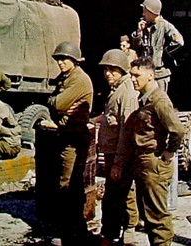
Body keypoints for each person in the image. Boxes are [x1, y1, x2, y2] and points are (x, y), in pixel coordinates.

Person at [113, 57, 185, 246]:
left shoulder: (159, 100)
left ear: (151, 75)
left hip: (153, 163)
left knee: (157, 217)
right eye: (131, 75)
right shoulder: (144, 99)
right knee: (148, 212)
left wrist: (169, 153)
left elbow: (177, 130)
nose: (133, 79)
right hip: (143, 162)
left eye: (137, 75)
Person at [41, 41, 93, 245]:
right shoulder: (67, 78)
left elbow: (57, 103)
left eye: (64, 59)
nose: (60, 63)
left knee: (68, 185)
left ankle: (70, 232)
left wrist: (58, 104)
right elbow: (55, 101)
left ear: (74, 60)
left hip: (74, 138)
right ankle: (73, 228)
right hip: (67, 136)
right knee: (69, 184)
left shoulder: (79, 80)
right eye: (58, 59)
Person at [96, 49, 139, 246]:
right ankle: (118, 232)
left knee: (116, 196)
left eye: (113, 70)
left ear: (122, 70)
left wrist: (119, 164)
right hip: (113, 154)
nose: (108, 74)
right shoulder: (116, 90)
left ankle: (121, 232)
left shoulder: (127, 92)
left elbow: (126, 131)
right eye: (106, 70)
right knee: (122, 193)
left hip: (119, 155)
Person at [131, 0, 183, 92]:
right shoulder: (144, 25)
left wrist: (165, 53)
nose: (143, 13)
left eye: (145, 11)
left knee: (159, 101)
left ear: (152, 12)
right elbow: (136, 47)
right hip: (145, 71)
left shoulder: (165, 25)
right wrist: (139, 32)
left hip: (159, 74)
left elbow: (179, 41)